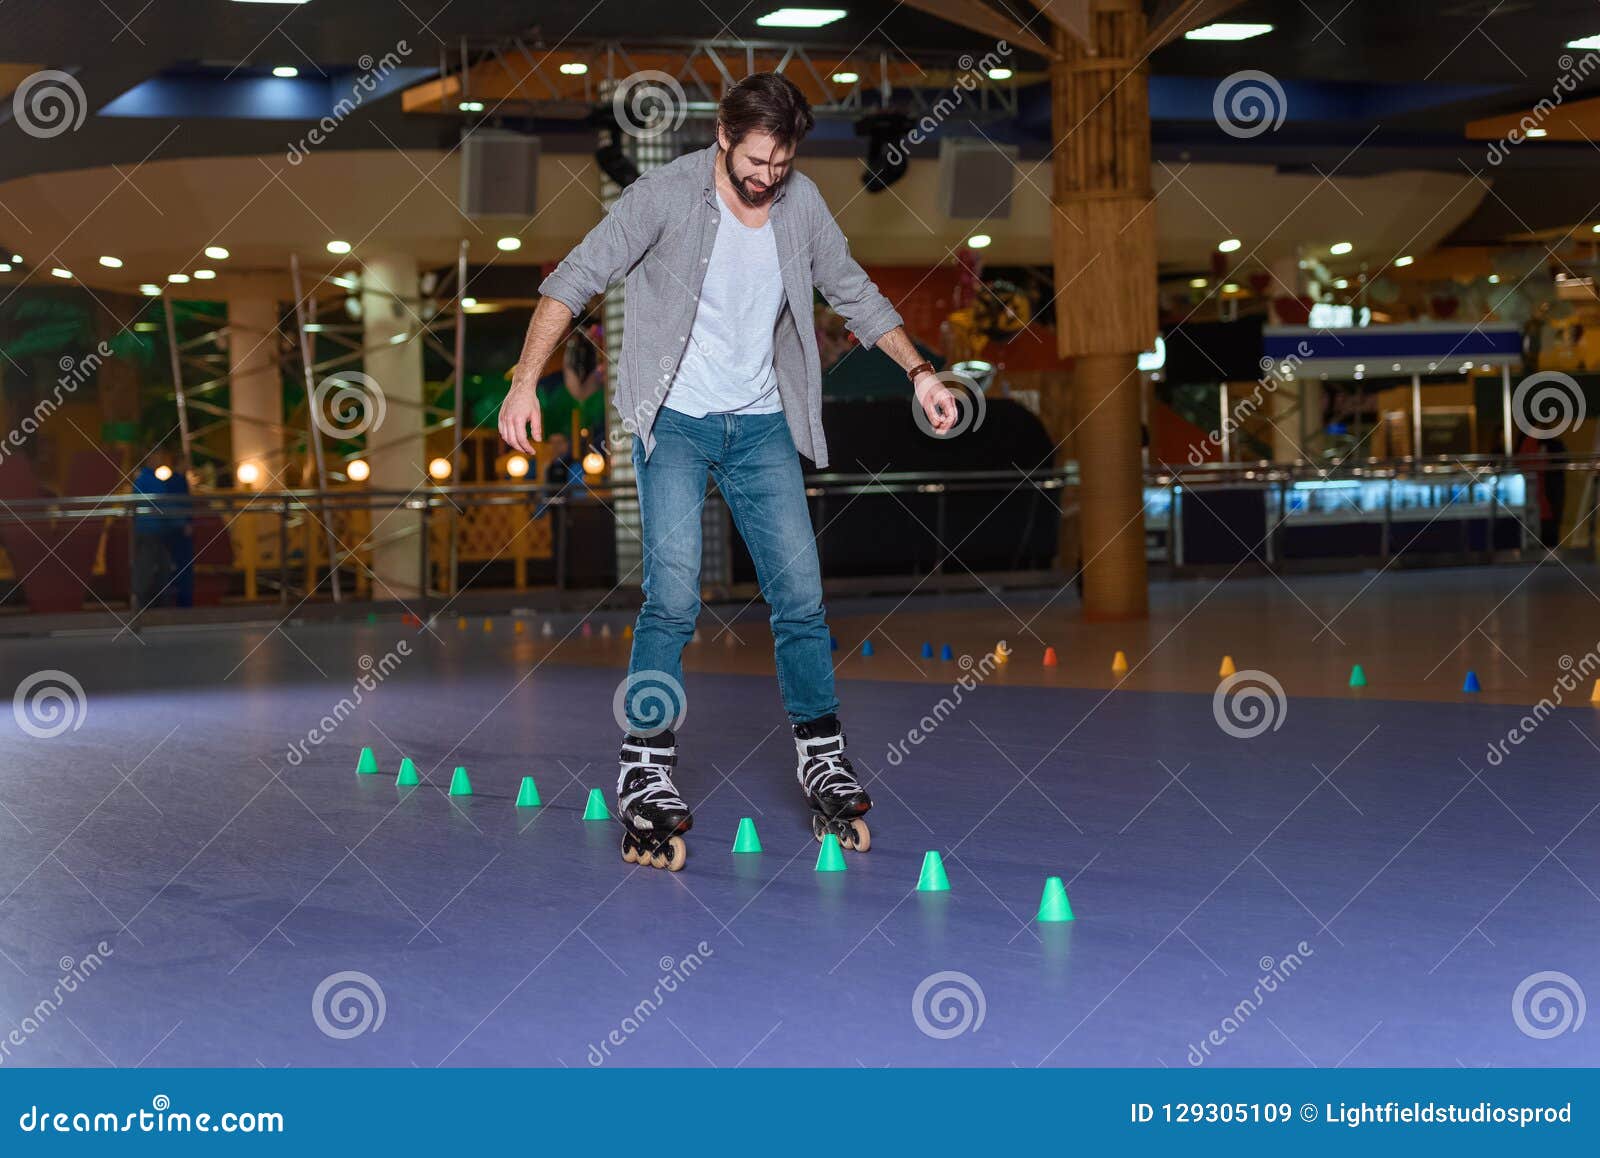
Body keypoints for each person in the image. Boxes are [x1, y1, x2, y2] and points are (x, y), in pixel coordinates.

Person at [500, 72, 958, 871]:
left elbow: (853, 292)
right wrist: (522, 380)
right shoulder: (664, 194)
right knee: (672, 597)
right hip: (673, 422)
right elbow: (573, 280)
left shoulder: (802, 203)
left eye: (779, 164)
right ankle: (645, 767)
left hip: (762, 425)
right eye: (754, 161)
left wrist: (920, 371)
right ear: (722, 134)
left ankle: (821, 752)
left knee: (802, 599)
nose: (765, 178)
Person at [131, 447, 194, 608]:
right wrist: (182, 522)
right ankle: (148, 604)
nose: (160, 460)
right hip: (152, 531)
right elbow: (163, 505)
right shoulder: (151, 481)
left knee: (154, 567)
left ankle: (146, 603)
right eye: (158, 456)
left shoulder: (145, 480)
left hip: (151, 530)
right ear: (150, 458)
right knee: (152, 568)